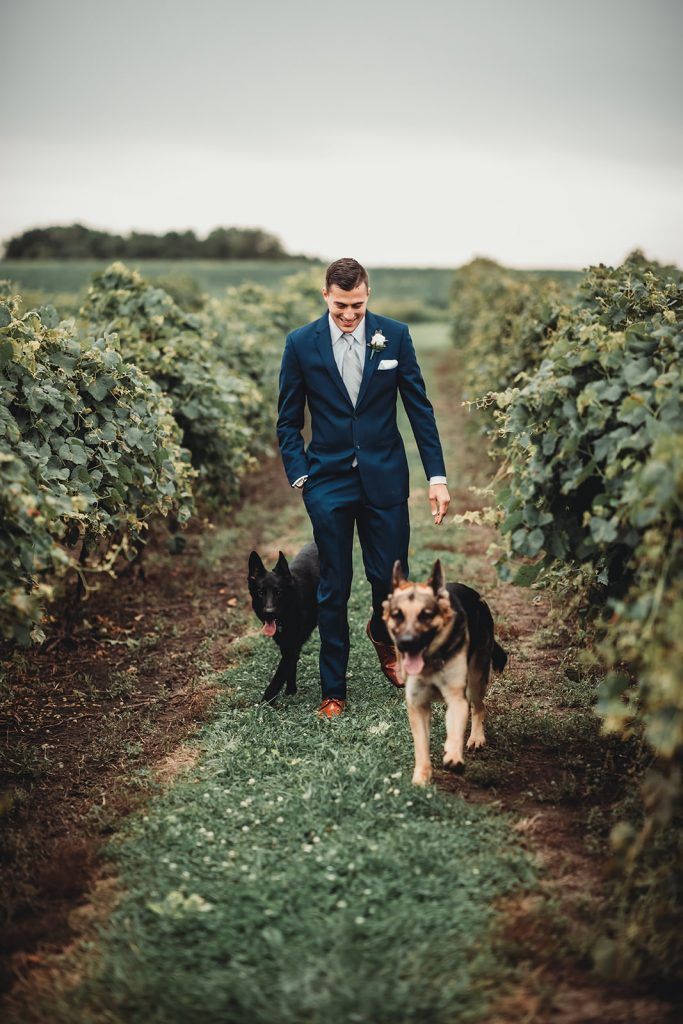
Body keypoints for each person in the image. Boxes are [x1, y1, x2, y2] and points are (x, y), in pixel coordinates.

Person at [276, 257, 450, 718]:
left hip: (385, 477)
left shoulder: (394, 336)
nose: (349, 315)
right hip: (327, 481)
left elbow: (419, 409)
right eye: (340, 307)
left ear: (367, 294)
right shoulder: (300, 344)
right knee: (333, 585)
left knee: (388, 580)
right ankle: (333, 689)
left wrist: (436, 477)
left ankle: (383, 635)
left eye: (356, 305)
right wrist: (301, 475)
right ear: (325, 296)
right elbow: (289, 420)